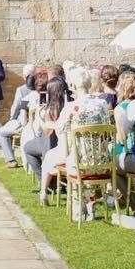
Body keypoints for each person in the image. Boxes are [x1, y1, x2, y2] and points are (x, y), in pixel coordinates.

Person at [39, 67, 111, 220]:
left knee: (52, 157)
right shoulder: (102, 104)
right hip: (103, 160)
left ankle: (76, 210)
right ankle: (90, 204)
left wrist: (50, 122)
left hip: (79, 160)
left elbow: (59, 128)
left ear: (72, 85)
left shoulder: (71, 107)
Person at [0, 66, 45, 167]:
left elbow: (15, 108)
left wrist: (12, 119)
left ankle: (11, 160)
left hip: (24, 122)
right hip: (41, 121)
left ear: (24, 77)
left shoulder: (22, 90)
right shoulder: (44, 88)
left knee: (0, 132)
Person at [22, 78, 67, 182]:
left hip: (51, 144)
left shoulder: (49, 110)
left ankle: (44, 180)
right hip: (67, 144)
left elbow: (47, 132)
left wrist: (39, 114)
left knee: (27, 148)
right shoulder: (68, 105)